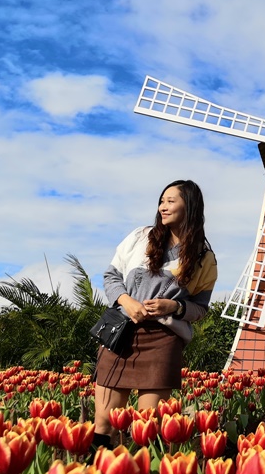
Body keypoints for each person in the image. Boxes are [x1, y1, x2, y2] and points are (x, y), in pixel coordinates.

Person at [93, 179, 217, 449]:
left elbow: (201, 308)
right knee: (104, 423)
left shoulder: (203, 258)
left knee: (146, 426)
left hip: (162, 341)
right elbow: (111, 275)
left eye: (171, 201)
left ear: (190, 206)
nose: (163, 206)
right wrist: (127, 301)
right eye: (162, 201)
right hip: (120, 335)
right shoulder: (140, 237)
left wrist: (173, 307)